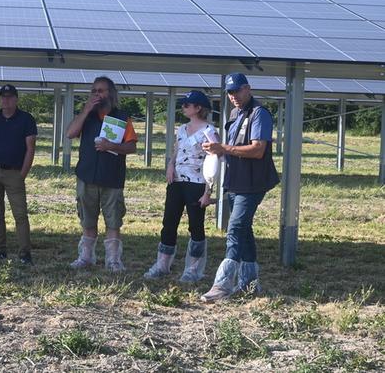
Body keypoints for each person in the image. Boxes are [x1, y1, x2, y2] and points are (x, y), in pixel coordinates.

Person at [200, 73, 279, 302]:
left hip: (252, 182)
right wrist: (217, 149)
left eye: (237, 91)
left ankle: (222, 285)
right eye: (230, 92)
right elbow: (232, 147)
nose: (233, 96)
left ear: (248, 89)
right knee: (244, 230)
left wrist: (222, 148)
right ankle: (250, 285)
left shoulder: (259, 114)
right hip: (236, 180)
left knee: (235, 228)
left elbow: (257, 150)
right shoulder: (235, 114)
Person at [66, 76, 138, 272]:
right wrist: (86, 110)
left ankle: (113, 260)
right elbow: (70, 133)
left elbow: (132, 147)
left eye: (102, 91)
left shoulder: (122, 117)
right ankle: (86, 257)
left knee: (113, 221)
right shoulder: (86, 116)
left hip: (112, 178)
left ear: (111, 93)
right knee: (87, 220)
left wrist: (111, 146)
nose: (98, 94)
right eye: (94, 91)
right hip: (86, 176)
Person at [144, 90, 217, 282]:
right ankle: (162, 264)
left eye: (187, 104)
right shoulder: (182, 129)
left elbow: (214, 161)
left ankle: (193, 269)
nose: (183, 107)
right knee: (169, 223)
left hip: (197, 183)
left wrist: (208, 191)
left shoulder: (209, 132)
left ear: (198, 108)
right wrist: (170, 165)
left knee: (195, 226)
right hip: (176, 181)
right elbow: (176, 150)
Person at [0, 84, 38, 264]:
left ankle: (25, 253)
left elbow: (30, 149)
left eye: (10, 97)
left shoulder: (26, 119)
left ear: (16, 99)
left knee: (20, 215)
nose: (6, 100)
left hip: (14, 172)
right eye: (3, 97)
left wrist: (23, 173)